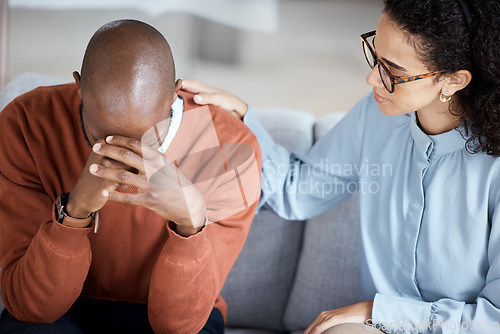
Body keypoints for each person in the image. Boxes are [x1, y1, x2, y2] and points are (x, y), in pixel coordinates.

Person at [181, 0, 500, 333]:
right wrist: (242, 118)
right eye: (375, 56)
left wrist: (378, 310)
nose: (372, 78)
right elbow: (299, 191)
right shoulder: (376, 117)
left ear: (453, 80)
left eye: (393, 71)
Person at [0, 19, 261, 333]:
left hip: (176, 313)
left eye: (145, 142)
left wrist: (190, 224)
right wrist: (74, 213)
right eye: (102, 139)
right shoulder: (26, 124)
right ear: (78, 87)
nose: (122, 159)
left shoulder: (231, 149)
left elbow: (179, 325)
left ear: (175, 92)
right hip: (66, 306)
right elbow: (32, 308)